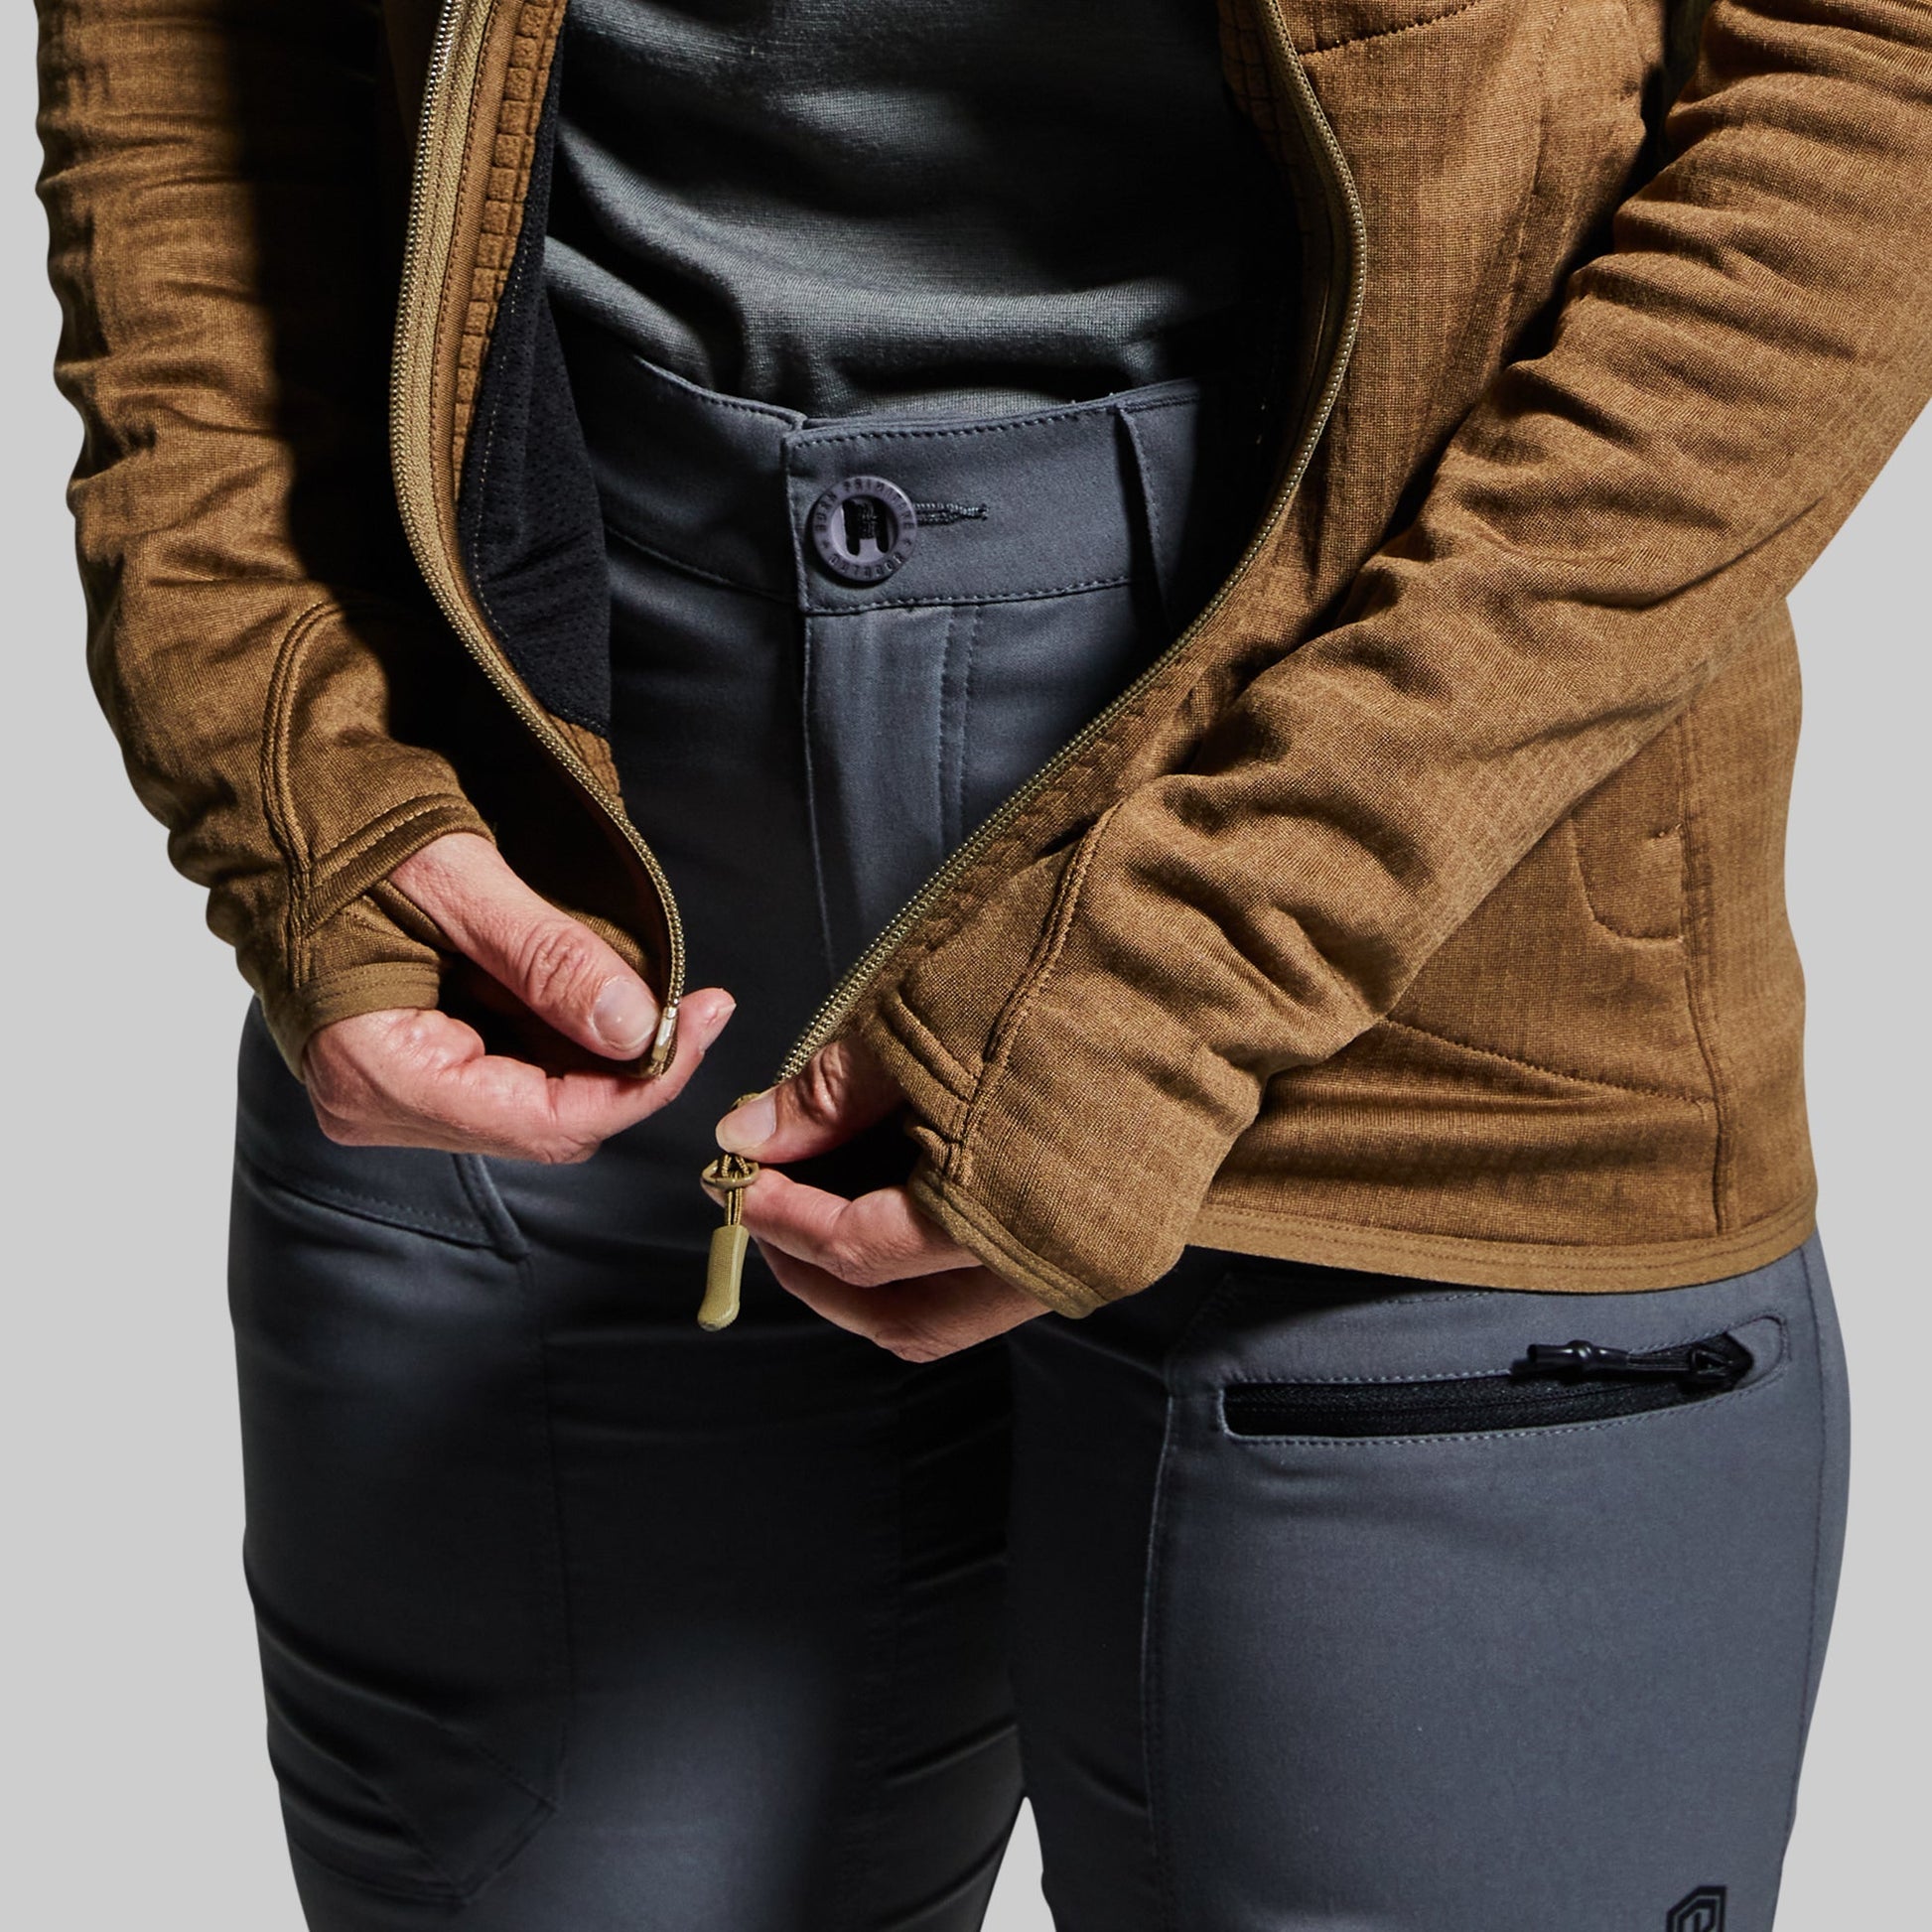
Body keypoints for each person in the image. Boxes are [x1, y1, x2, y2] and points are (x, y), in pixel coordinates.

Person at [34, 1, 1929, 1926]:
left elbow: (1880, 65)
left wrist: (1212, 941)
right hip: (562, 867)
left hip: (1441, 917)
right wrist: (285, 743)